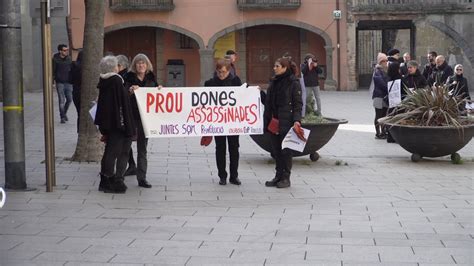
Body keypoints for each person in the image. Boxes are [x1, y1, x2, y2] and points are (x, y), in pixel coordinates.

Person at [94, 56, 135, 193]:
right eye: (117, 65)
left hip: (108, 122)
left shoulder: (105, 80)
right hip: (117, 124)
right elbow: (121, 104)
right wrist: (124, 124)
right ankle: (108, 180)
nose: (119, 67)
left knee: (108, 152)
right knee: (113, 152)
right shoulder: (116, 80)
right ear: (113, 67)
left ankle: (104, 180)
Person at [263, 57, 303, 189]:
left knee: (286, 151)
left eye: (277, 66)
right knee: (276, 150)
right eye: (274, 66)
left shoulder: (293, 83)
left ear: (285, 68)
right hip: (273, 121)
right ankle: (278, 176)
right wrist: (259, 93)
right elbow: (268, 101)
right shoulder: (273, 82)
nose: (274, 68)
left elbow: (298, 104)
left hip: (287, 122)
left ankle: (286, 178)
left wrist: (297, 120)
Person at [204, 59, 243, 185]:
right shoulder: (210, 83)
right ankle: (222, 176)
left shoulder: (236, 81)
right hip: (218, 122)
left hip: (233, 121)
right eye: (219, 72)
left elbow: (243, 96)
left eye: (224, 72)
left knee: (234, 148)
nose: (221, 75)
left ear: (229, 71)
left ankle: (234, 176)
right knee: (220, 148)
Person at [124, 54, 157, 188]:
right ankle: (120, 175)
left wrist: (159, 89)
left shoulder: (151, 78)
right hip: (131, 116)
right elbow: (123, 93)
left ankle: (142, 178)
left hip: (145, 118)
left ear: (147, 65)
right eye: (138, 63)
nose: (141, 65)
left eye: (143, 63)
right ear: (134, 65)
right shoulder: (128, 78)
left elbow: (155, 93)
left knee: (142, 149)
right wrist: (130, 91)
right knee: (125, 145)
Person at [116, 55, 137, 177]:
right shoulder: (123, 76)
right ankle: (131, 164)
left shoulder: (123, 77)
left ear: (121, 66)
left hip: (128, 113)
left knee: (126, 140)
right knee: (126, 141)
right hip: (128, 112)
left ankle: (131, 165)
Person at [52, 44, 73, 124]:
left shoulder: (69, 59)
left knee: (69, 99)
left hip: (68, 82)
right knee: (61, 100)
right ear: (60, 51)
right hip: (60, 82)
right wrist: (52, 82)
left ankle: (64, 113)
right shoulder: (55, 59)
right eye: (64, 50)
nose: (66, 52)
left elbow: (71, 69)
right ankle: (62, 117)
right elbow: (53, 71)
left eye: (67, 50)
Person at [372, 53, 389, 140]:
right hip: (378, 96)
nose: (386, 62)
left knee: (384, 115)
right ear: (380, 62)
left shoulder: (385, 70)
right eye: (384, 61)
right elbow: (381, 83)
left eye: (386, 60)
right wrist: (388, 89)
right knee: (378, 115)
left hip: (385, 96)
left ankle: (383, 131)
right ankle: (378, 133)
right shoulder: (377, 71)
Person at [70, 50, 83, 132]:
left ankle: (79, 131)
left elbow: (70, 80)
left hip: (76, 91)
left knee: (79, 113)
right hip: (83, 91)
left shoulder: (74, 65)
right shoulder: (86, 67)